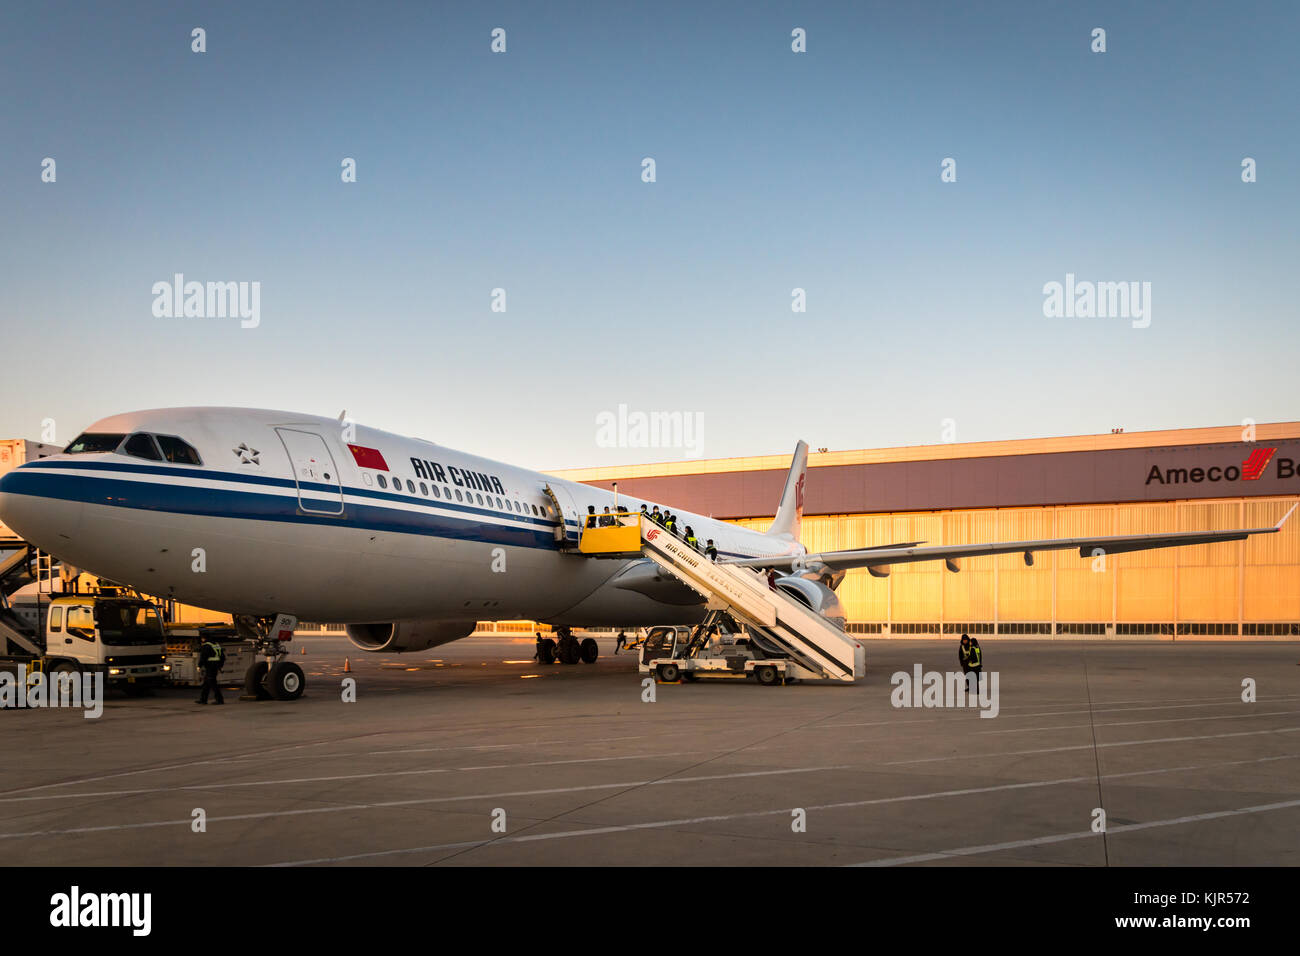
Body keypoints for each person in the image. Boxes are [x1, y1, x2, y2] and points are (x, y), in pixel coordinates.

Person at [195, 636, 226, 705]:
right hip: (215, 666)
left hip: (210, 666)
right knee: (206, 683)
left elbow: (203, 657)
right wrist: (220, 666)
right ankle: (203, 699)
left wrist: (199, 666)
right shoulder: (216, 645)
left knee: (213, 683)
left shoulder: (206, 646)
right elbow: (223, 657)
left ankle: (219, 700)